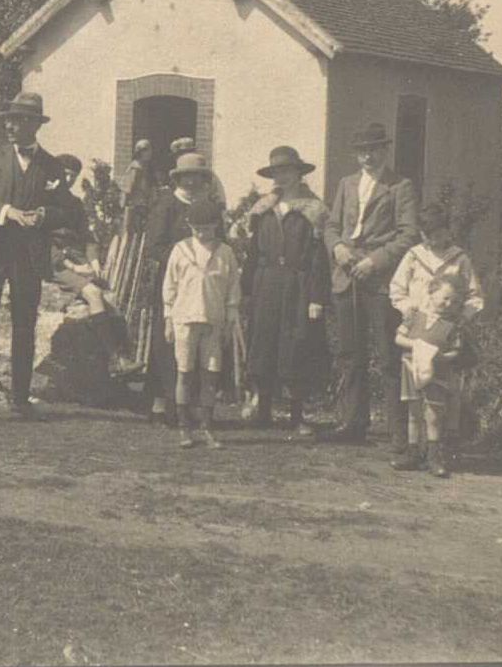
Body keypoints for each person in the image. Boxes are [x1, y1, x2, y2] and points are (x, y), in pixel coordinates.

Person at [0, 92, 75, 424]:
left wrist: (44, 216)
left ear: (34, 125)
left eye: (19, 120)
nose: (10, 125)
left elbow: (65, 211)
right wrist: (7, 211)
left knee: (25, 326)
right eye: (8, 119)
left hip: (28, 256)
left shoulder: (51, 166)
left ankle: (20, 400)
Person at [321, 122, 419, 447]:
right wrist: (337, 247)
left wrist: (373, 261)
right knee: (350, 353)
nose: (367, 157)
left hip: (379, 282)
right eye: (362, 151)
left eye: (373, 150)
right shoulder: (347, 184)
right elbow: (331, 225)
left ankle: (397, 432)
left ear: (384, 150)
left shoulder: (400, 186)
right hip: (346, 277)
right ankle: (353, 423)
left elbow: (408, 234)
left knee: (389, 355)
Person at [388, 203, 485, 473]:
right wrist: (409, 310)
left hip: (444, 332)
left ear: (447, 232)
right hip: (418, 325)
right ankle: (414, 450)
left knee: (442, 398)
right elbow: (397, 289)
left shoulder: (459, 259)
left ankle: (439, 450)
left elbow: (475, 296)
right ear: (422, 235)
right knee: (414, 400)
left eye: (439, 234)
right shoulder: (413, 256)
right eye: (428, 235)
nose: (434, 240)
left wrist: (460, 318)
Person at [241, 146, 331, 434]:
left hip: (298, 282)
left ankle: (296, 415)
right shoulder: (263, 209)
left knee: (296, 343)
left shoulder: (313, 210)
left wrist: (317, 296)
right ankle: (263, 410)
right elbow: (252, 253)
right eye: (277, 171)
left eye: (287, 171)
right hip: (266, 281)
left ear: (298, 173)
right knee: (264, 341)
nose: (281, 176)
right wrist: (246, 289)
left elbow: (319, 257)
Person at [143, 152, 221, 425]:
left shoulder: (208, 205)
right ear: (178, 178)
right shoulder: (167, 205)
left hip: (202, 285)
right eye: (186, 176)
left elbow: (218, 241)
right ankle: (164, 404)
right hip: (174, 282)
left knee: (198, 345)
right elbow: (153, 247)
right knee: (169, 343)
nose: (191, 181)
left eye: (197, 176)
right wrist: (183, 256)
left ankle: (188, 405)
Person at [162, 198, 241, 449]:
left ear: (216, 225)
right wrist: (168, 319)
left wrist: (229, 321)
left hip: (213, 321)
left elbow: (232, 290)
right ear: (189, 226)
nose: (202, 233)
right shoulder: (180, 250)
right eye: (197, 228)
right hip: (184, 319)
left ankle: (207, 426)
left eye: (206, 228)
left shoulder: (225, 253)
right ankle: (185, 428)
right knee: (184, 373)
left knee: (210, 376)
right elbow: (170, 286)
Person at [48, 153, 136, 375]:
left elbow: (87, 237)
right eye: (64, 174)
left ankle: (125, 358)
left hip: (78, 260)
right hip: (55, 264)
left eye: (73, 176)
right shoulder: (41, 201)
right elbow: (39, 243)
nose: (68, 179)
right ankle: (114, 360)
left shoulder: (74, 204)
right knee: (94, 294)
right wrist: (73, 266)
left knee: (112, 303)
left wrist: (94, 260)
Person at [391, 275, 475, 478]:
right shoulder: (414, 316)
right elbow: (398, 338)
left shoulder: (453, 325)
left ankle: (433, 456)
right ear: (431, 293)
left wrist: (438, 356)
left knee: (433, 415)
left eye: (454, 302)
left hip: (438, 373)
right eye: (445, 298)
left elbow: (455, 352)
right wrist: (418, 345)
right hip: (411, 368)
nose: (448, 304)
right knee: (413, 411)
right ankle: (412, 453)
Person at [168, 137, 227, 206]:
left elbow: (210, 195)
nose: (180, 157)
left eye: (184, 153)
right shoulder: (175, 173)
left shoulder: (201, 171)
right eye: (177, 155)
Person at [119, 139, 157, 235]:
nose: (150, 153)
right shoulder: (135, 168)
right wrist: (124, 208)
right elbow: (127, 189)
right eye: (146, 150)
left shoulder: (146, 168)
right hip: (134, 207)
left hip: (143, 205)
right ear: (140, 152)